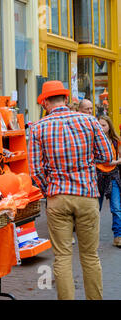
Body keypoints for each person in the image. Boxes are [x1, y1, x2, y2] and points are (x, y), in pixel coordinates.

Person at [28, 80, 113, 300]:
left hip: (57, 196)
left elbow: (36, 171)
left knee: (63, 257)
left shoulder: (38, 128)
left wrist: (51, 190)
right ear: (66, 99)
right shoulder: (89, 121)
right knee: (90, 256)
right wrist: (87, 163)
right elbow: (107, 156)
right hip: (86, 195)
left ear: (45, 102)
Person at [96, 115, 121, 247]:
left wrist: (115, 162)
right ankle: (92, 237)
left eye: (104, 125)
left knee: (116, 208)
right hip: (98, 175)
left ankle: (118, 236)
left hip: (112, 175)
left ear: (109, 126)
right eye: (99, 125)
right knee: (95, 209)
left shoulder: (116, 141)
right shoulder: (94, 141)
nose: (101, 127)